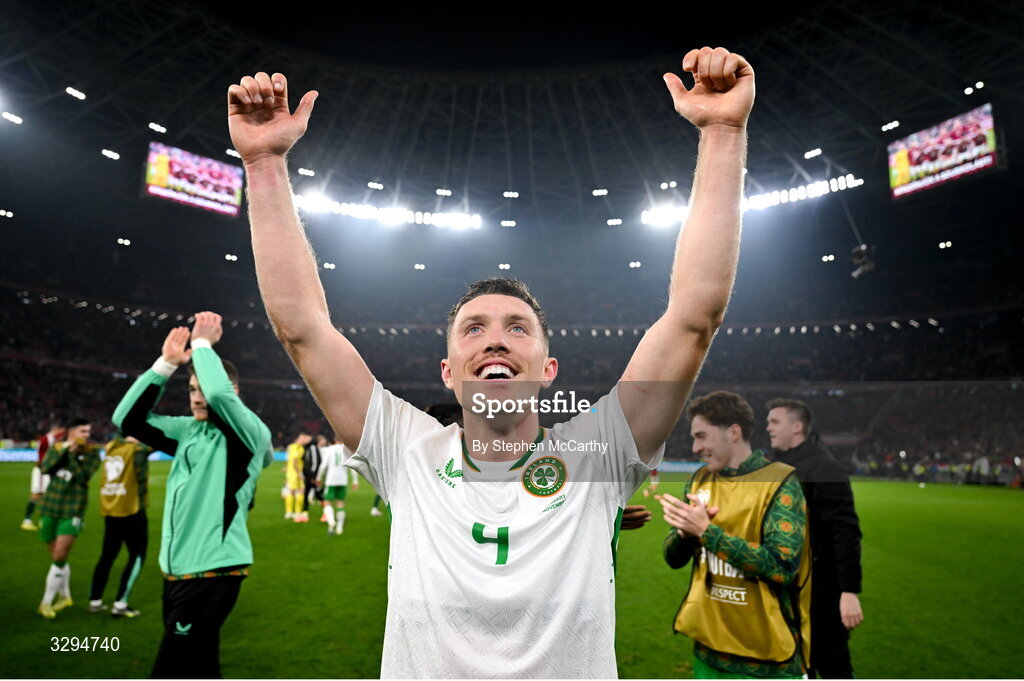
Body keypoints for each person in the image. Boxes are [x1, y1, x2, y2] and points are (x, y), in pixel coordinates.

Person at [229, 45, 752, 677]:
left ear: (548, 369)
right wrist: (261, 162)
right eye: (472, 329)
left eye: (518, 329)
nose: (495, 340)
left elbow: (694, 317)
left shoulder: (600, 453)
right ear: (448, 372)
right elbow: (304, 331)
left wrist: (723, 133)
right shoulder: (406, 448)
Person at [113, 313, 273, 679]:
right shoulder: (187, 432)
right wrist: (165, 364)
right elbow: (127, 421)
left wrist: (202, 343)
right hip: (177, 574)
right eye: (191, 390)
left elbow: (218, 393)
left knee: (168, 671)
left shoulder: (249, 435)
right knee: (199, 668)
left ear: (235, 394)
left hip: (211, 574)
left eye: (204, 388)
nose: (199, 398)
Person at [660, 392, 810, 679]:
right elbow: (672, 558)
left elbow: (783, 567)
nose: (695, 447)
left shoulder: (780, 482)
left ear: (733, 432)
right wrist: (684, 534)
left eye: (702, 436)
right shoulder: (700, 479)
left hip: (766, 659)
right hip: (707, 650)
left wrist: (706, 531)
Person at [766, 398, 864, 678]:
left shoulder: (824, 468)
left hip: (821, 591)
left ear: (797, 427)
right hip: (784, 586)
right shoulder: (775, 466)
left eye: (775, 421)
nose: (767, 427)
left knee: (831, 664)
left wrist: (848, 592)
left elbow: (845, 530)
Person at [36, 418, 101, 618]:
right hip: (50, 507)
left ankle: (45, 602)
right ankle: (66, 596)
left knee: (59, 556)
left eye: (88, 431)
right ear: (71, 432)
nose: (86, 435)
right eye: (83, 431)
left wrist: (72, 455)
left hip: (73, 510)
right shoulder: (56, 448)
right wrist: (65, 450)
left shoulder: (92, 454)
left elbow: (82, 478)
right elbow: (45, 468)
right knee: (56, 556)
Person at [88, 434, 153, 617]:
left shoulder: (111, 447)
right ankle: (120, 603)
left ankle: (95, 600)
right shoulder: (137, 450)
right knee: (137, 554)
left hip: (111, 509)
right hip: (131, 509)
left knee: (107, 555)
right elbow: (157, 444)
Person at [22, 422, 64, 531]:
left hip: (47, 471)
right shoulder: (47, 439)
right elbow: (47, 454)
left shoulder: (52, 440)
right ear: (57, 429)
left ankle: (42, 521)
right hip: (42, 471)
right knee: (36, 495)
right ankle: (27, 521)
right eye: (61, 431)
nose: (62, 434)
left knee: (45, 496)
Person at [317, 436, 351, 535]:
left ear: (334, 440)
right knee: (340, 503)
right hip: (342, 480)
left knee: (327, 502)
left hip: (331, 480)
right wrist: (355, 481)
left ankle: (331, 522)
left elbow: (323, 465)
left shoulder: (329, 449)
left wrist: (319, 477)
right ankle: (340, 527)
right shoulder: (346, 449)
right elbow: (352, 465)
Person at [284, 432, 310, 521]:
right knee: (296, 491)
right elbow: (295, 460)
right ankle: (292, 512)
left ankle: (292, 512)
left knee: (296, 491)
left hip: (292, 472)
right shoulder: (297, 447)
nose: (304, 440)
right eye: (303, 438)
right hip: (295, 473)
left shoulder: (294, 447)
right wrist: (299, 473)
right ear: (298, 438)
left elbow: (290, 460)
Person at [305, 434, 327, 521]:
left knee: (318, 492)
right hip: (315, 474)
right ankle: (305, 512)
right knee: (314, 492)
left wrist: (315, 476)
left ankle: (326, 511)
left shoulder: (319, 449)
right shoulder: (316, 448)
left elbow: (317, 463)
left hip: (316, 474)